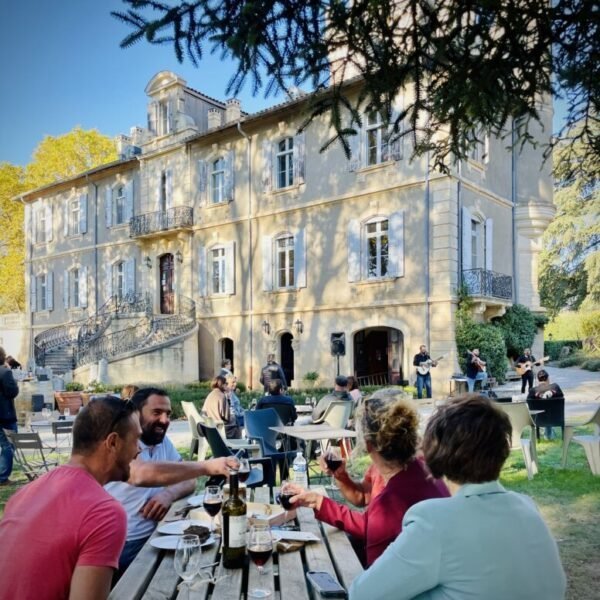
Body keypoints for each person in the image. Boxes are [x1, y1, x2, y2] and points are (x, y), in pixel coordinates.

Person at [349, 395, 566, 600]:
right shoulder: (527, 507)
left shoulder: (434, 522)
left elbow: (362, 594)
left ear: (433, 453)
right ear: (503, 449)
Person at [0, 396, 137, 600]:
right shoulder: (104, 512)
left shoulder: (24, 493)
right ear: (113, 442)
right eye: (136, 441)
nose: (139, 450)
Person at [289, 395, 449, 566]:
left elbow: (374, 531)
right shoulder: (419, 468)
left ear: (368, 444)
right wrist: (341, 475)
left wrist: (319, 502)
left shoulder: (395, 494)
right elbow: (363, 496)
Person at [105, 387, 194, 573]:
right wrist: (209, 466)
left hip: (158, 534)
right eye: (157, 413)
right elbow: (139, 474)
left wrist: (168, 494)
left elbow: (190, 480)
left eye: (168, 414)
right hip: (123, 544)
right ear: (136, 414)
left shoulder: (162, 441)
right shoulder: (122, 443)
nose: (165, 420)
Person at [0, 346, 19, 486]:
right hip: (5, 415)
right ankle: (2, 477)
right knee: (9, 445)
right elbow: (12, 391)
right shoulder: (5, 372)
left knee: (4, 445)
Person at [527, 369, 565, 440]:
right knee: (549, 411)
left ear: (538, 380)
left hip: (538, 419)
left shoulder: (532, 391)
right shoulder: (555, 387)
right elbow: (561, 395)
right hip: (556, 418)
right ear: (548, 378)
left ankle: (547, 433)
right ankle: (549, 434)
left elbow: (528, 400)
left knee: (544, 412)